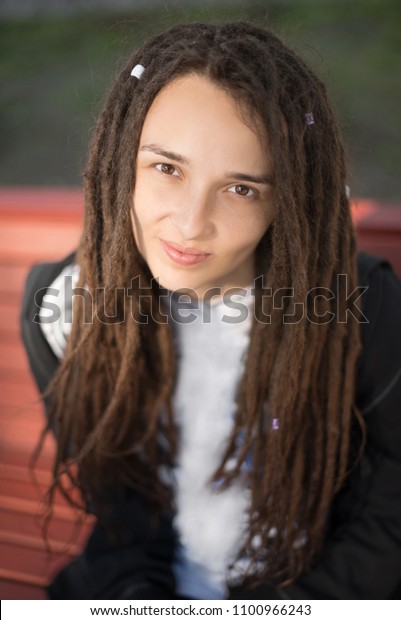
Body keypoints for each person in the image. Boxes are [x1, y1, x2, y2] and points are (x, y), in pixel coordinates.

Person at [20, 21, 401, 600]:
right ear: (122, 160)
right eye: (167, 168)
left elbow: (389, 509)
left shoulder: (357, 305)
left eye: (241, 188)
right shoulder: (67, 311)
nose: (192, 223)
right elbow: (122, 514)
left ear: (287, 201)